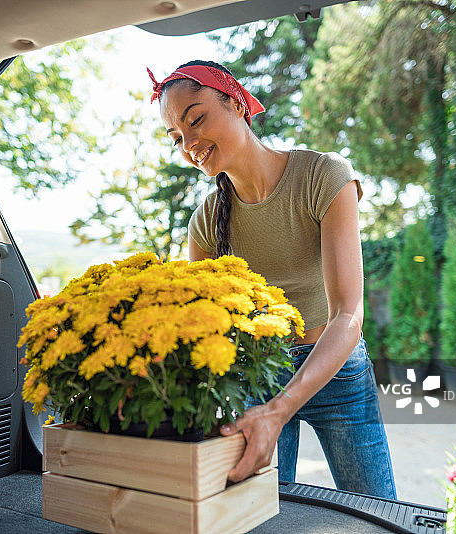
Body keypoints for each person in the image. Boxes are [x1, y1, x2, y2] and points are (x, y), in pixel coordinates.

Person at [148, 60, 396, 500]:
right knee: (261, 514)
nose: (189, 145)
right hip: (258, 378)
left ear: (239, 104)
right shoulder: (205, 222)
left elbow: (347, 314)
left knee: (376, 512)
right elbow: (203, 328)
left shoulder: (324, 176)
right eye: (176, 138)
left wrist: (281, 409)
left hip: (337, 370)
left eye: (197, 119)